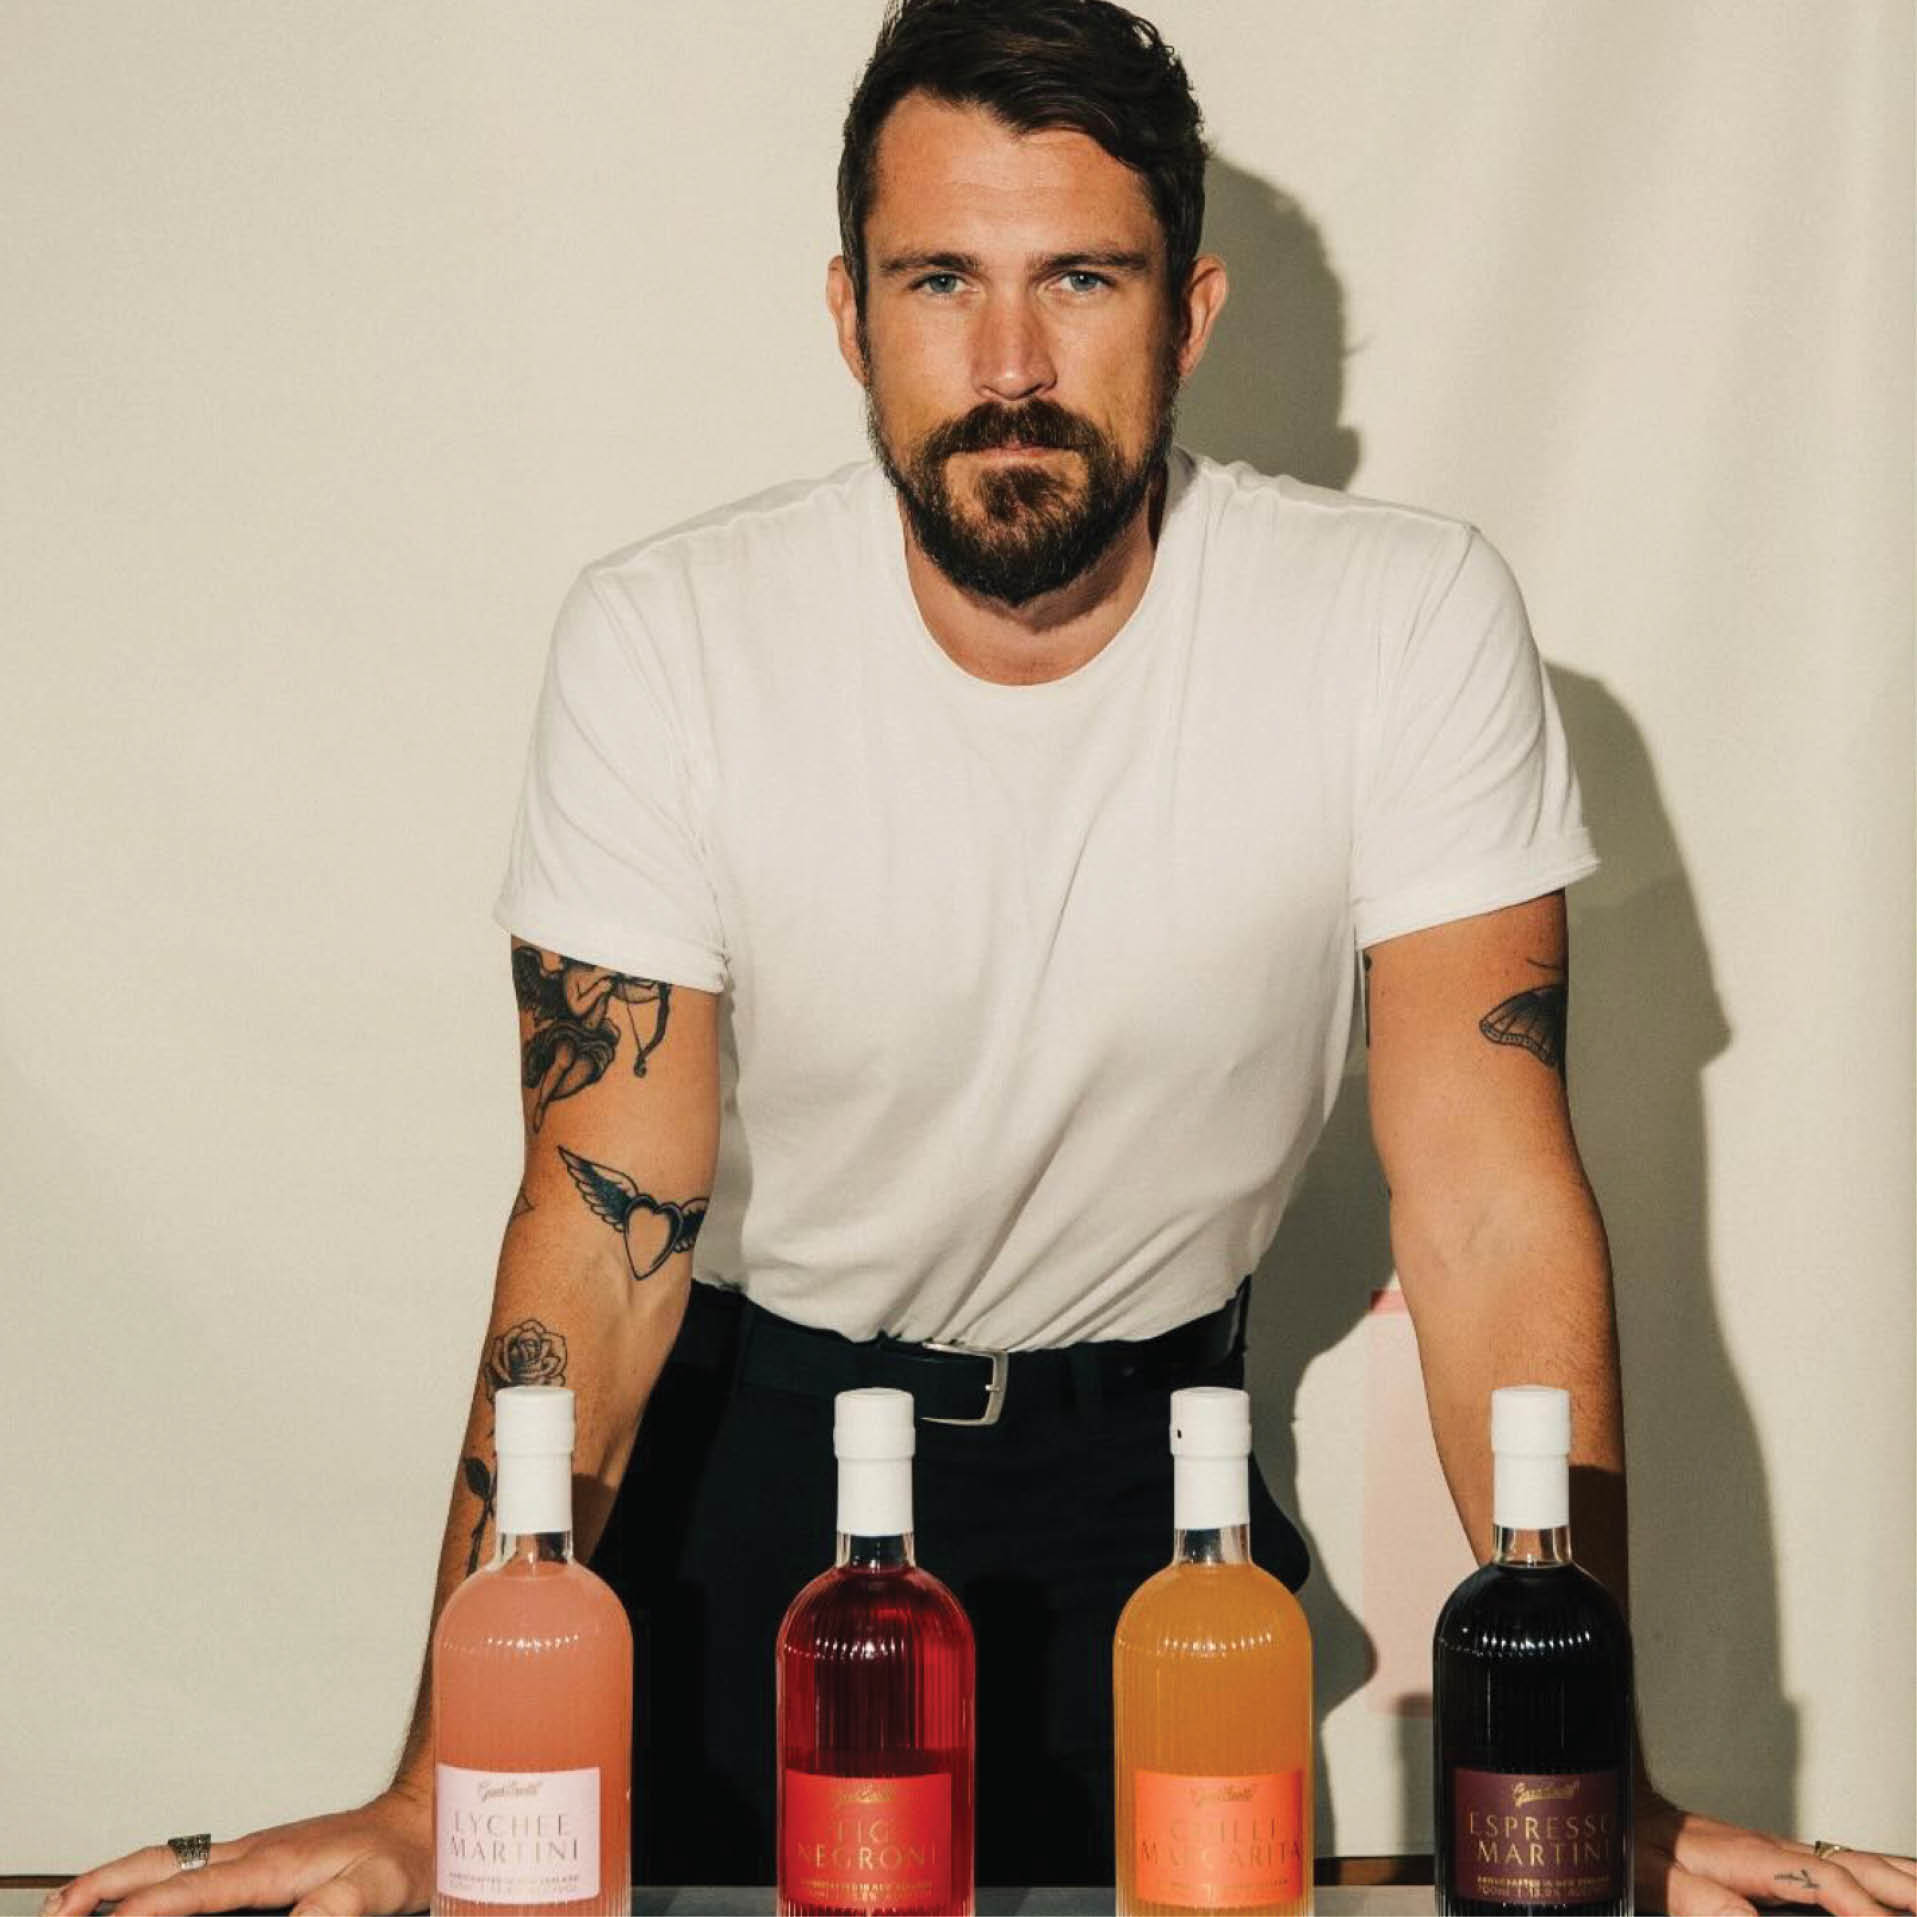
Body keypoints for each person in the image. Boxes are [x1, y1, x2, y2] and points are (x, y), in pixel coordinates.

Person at [51, 4, 1915, 1914]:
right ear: (851, 313)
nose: (1009, 365)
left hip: (1151, 1507)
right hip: (743, 1504)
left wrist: (1597, 1778)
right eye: (941, 279)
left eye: (1078, 279)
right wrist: (434, 1786)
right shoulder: (670, 641)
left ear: (1183, 316)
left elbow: (1490, 1208)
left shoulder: (1401, 623)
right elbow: (600, 1228)